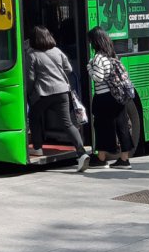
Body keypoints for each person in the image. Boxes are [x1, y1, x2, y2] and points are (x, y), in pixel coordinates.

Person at [24, 26, 88, 171]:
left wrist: (28, 93)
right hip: (62, 91)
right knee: (67, 123)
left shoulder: (32, 54)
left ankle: (38, 147)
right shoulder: (57, 51)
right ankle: (81, 152)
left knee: (34, 116)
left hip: (44, 93)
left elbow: (30, 78)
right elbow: (69, 70)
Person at [86, 28, 134, 168]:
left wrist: (89, 67)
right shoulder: (112, 55)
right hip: (117, 96)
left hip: (104, 98)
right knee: (122, 126)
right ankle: (124, 160)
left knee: (101, 127)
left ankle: (101, 159)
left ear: (95, 41)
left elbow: (98, 77)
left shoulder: (98, 58)